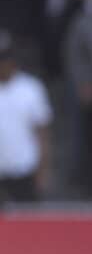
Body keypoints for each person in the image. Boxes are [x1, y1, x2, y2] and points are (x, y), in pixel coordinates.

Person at [0, 30, 52, 203]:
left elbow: (42, 133)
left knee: (26, 225)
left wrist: (42, 172)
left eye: (4, 59)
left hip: (24, 171)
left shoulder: (31, 88)